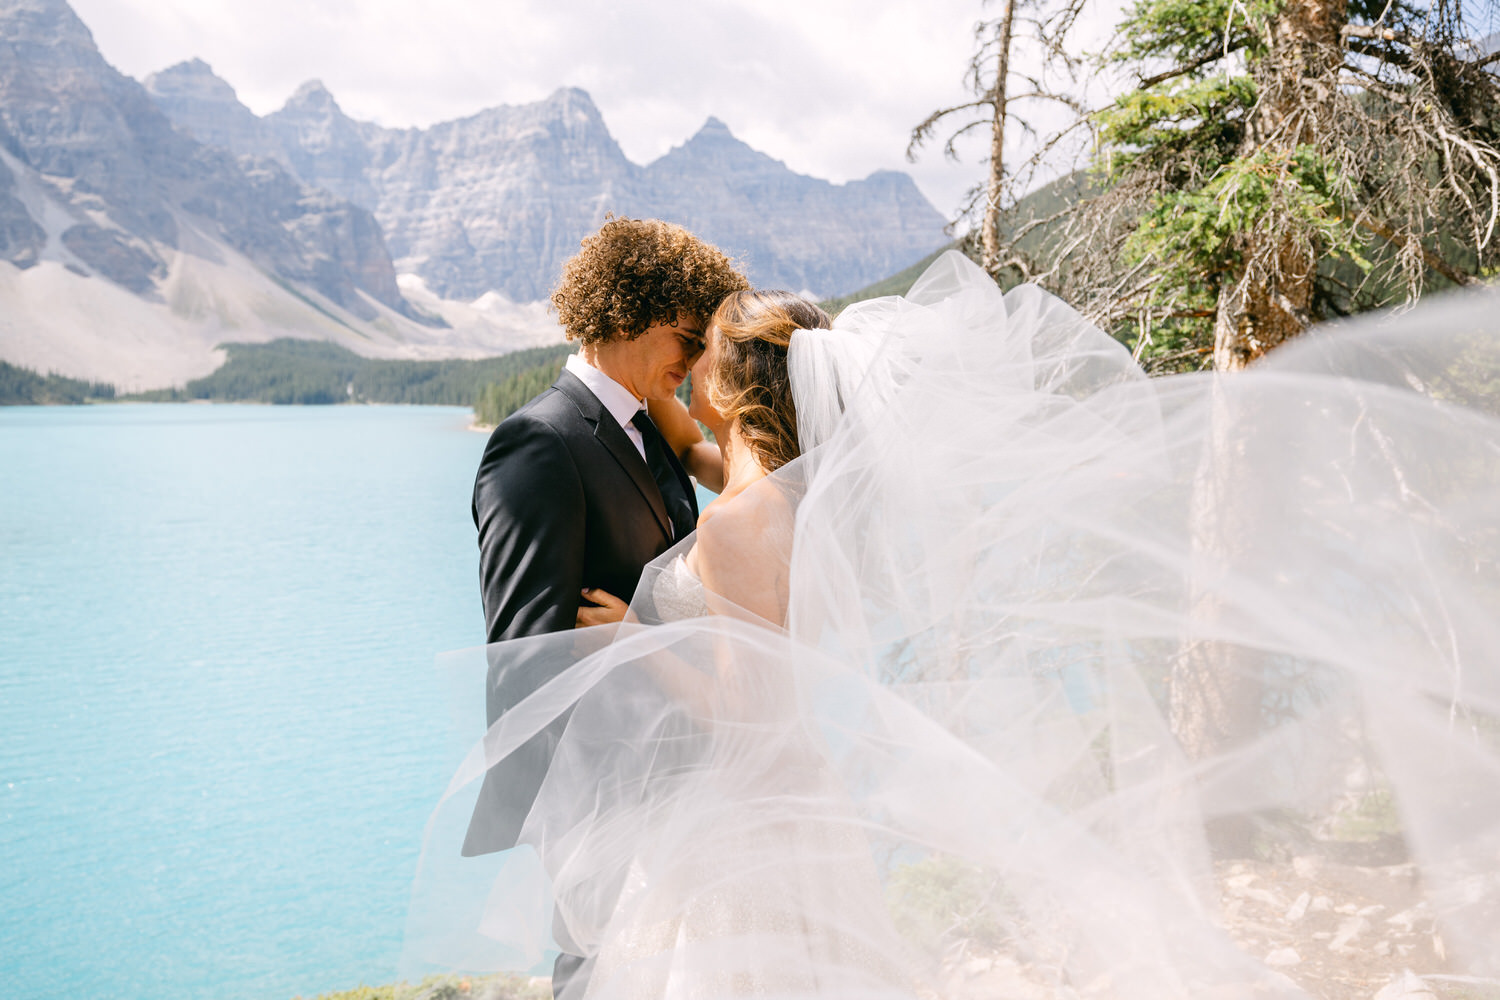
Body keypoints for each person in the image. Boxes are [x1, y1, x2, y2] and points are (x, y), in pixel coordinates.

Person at [411, 251, 1500, 998]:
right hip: (799, 807)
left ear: (739, 399)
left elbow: (751, 701)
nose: (682, 382)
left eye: (699, 371)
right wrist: (673, 424)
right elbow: (725, 477)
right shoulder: (794, 497)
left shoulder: (746, 522)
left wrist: (626, 642)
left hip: (742, 818)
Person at [462, 217, 748, 997]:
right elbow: (523, 650)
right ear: (629, 312)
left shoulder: (652, 427)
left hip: (683, 777)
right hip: (600, 797)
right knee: (599, 974)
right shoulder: (539, 443)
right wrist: (576, 821)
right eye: (688, 337)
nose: (694, 363)